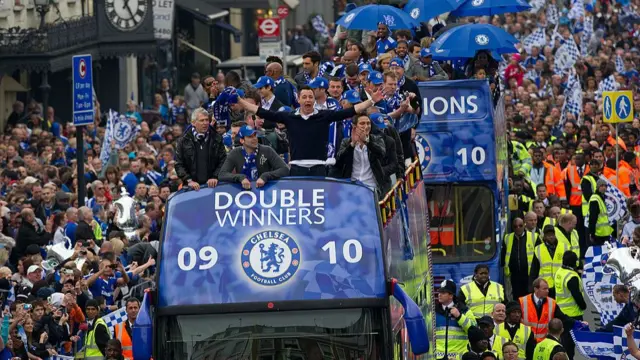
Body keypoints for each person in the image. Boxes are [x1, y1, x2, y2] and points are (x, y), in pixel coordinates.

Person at [235, 85, 383, 176]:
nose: (307, 100)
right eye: (304, 97)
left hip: (319, 168)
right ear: (298, 99)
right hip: (297, 168)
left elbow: (350, 111)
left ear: (314, 100)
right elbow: (262, 112)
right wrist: (241, 102)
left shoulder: (323, 115)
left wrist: (371, 101)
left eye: (310, 97)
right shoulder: (289, 116)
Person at [219, 125, 289, 189]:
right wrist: (240, 177)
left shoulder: (267, 150)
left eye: (255, 135)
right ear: (242, 140)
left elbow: (285, 169)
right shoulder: (235, 153)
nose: (254, 138)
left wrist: (266, 176)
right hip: (242, 192)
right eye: (250, 137)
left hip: (266, 191)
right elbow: (222, 174)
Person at [334, 114, 390, 193]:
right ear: (354, 126)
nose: (366, 126)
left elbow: (381, 154)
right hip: (351, 186)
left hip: (371, 187)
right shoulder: (346, 142)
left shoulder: (377, 139)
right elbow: (339, 161)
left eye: (368, 123)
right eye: (362, 123)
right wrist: (352, 144)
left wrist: (367, 142)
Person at [175, 108, 227, 190]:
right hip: (191, 188)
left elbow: (223, 160)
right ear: (193, 123)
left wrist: (215, 176)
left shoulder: (217, 138)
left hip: (213, 186)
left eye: (207, 120)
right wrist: (189, 181)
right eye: (202, 120)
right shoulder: (183, 141)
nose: (205, 123)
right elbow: (179, 164)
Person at [553, 251, 585, 360]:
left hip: (560, 312)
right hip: (573, 314)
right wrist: (583, 306)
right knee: (570, 345)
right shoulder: (572, 277)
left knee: (563, 342)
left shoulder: (559, 272)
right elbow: (577, 296)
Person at [435, 280, 476, 360]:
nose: (439, 295)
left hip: (458, 357)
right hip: (438, 357)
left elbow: (474, 331)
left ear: (451, 295)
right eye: (439, 292)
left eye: (443, 292)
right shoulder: (433, 311)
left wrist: (460, 317)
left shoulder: (464, 310)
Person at [501, 217, 536, 300]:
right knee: (515, 297)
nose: (518, 228)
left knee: (528, 297)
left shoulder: (534, 237)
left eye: (520, 225)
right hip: (513, 275)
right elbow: (503, 254)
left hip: (529, 275)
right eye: (515, 226)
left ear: (524, 225)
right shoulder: (507, 238)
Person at [529, 226, 569, 296]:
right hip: (544, 286)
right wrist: (531, 287)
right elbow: (534, 270)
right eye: (548, 235)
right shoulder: (538, 249)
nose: (551, 237)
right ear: (544, 236)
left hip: (560, 284)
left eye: (552, 234)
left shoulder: (564, 247)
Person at [588, 178, 614, 245]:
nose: (604, 187)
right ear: (597, 187)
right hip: (598, 234)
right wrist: (592, 233)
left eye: (605, 186)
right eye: (602, 186)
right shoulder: (595, 198)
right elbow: (592, 217)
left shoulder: (601, 197)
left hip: (604, 233)